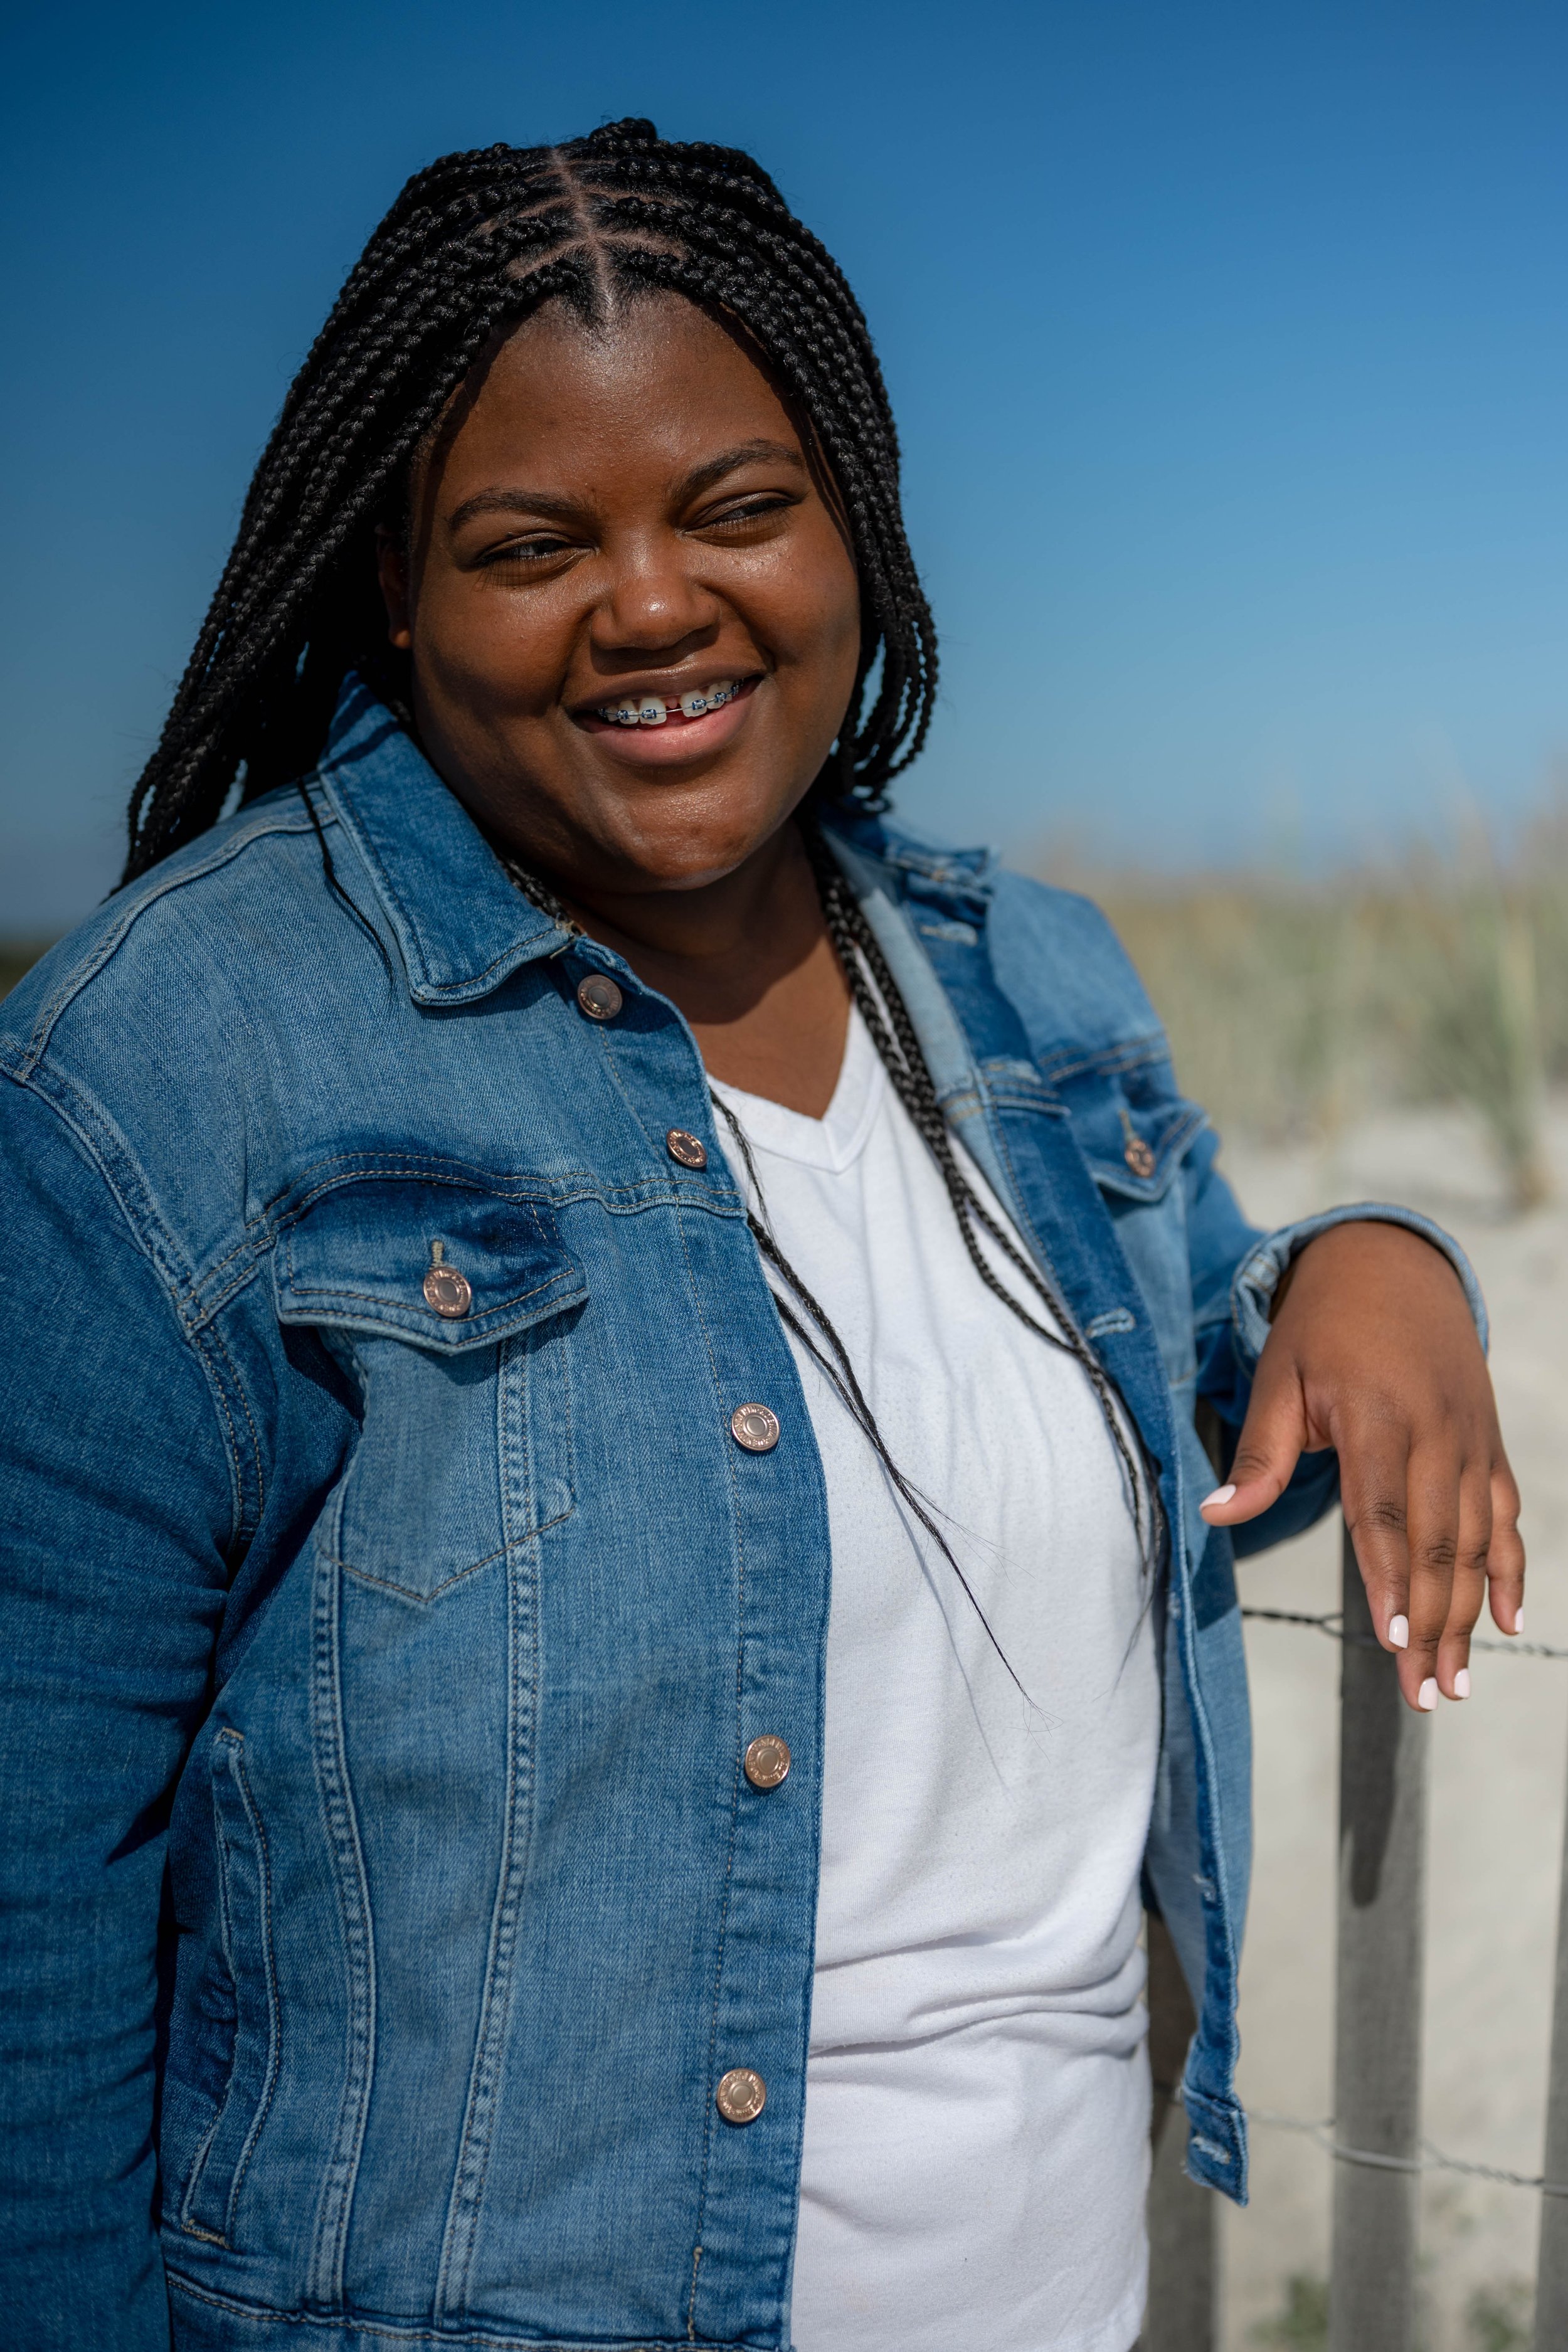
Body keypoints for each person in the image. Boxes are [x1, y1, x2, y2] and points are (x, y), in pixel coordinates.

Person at [0, 120, 1523, 2352]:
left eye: (736, 507)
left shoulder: (1032, 978)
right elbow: (32, 1915)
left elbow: (1217, 1390)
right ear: (392, 591)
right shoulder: (172, 1067)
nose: (648, 600)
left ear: (852, 533)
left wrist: (1376, 1264)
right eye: (532, 542)